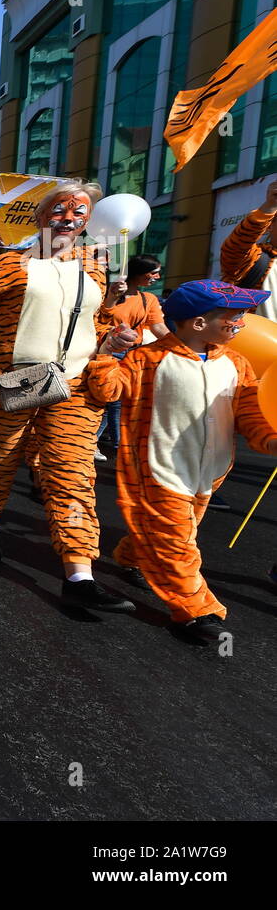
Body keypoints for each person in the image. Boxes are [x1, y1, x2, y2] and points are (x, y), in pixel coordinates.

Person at [0, 179, 138, 610]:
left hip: (75, 388)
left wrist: (115, 325)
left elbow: (98, 320)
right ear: (40, 216)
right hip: (12, 382)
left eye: (79, 214)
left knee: (72, 475)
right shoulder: (4, 265)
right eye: (60, 211)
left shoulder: (96, 264)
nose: (69, 219)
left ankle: (79, 574)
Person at [89, 280, 277, 642]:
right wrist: (106, 354)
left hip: (211, 472)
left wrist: (270, 441)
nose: (242, 322)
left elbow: (252, 414)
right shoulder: (149, 359)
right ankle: (196, 611)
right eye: (234, 315)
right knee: (179, 544)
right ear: (198, 323)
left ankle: (132, 555)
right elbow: (107, 390)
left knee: (173, 531)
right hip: (160, 471)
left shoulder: (237, 363)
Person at [95, 254, 169, 460]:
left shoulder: (149, 299)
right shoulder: (111, 290)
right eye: (153, 273)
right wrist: (111, 296)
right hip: (109, 349)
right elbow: (101, 317)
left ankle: (102, 442)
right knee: (111, 398)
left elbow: (158, 327)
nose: (157, 277)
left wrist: (180, 343)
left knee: (118, 400)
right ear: (138, 273)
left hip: (132, 353)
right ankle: (115, 445)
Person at [219, 178, 277, 321]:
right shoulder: (256, 259)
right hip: (251, 341)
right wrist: (271, 205)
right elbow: (235, 247)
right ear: (270, 226)